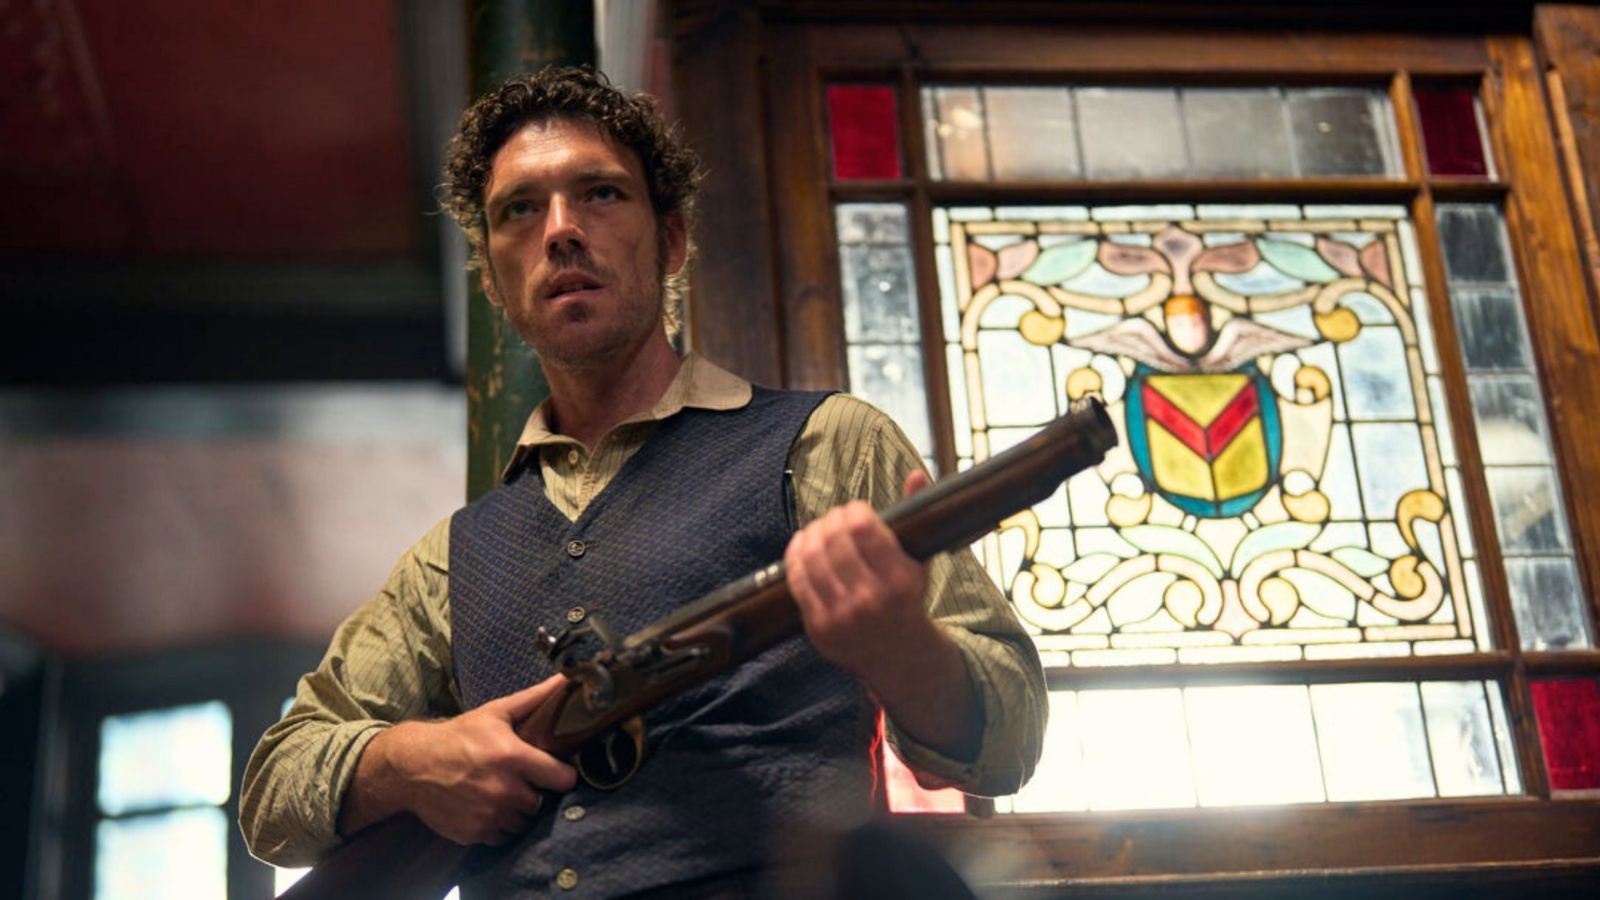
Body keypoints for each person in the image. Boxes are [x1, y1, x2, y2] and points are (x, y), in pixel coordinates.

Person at [239, 66, 1046, 898]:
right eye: (520, 209)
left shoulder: (827, 444)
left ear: (672, 241)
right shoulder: (449, 560)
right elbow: (272, 796)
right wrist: (408, 761)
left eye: (600, 194)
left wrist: (900, 645)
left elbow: (1010, 739)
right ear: (491, 281)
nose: (561, 231)